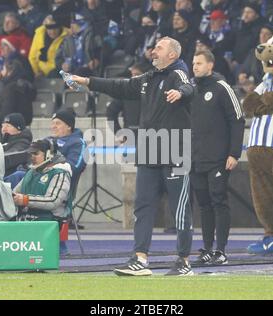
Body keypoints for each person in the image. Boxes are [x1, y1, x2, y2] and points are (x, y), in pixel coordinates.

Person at [71, 37, 195, 276]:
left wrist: (180, 93)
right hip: (149, 149)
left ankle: (184, 260)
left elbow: (189, 86)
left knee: (179, 207)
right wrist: (87, 81)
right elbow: (119, 86)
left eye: (159, 47)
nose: (153, 50)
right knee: (143, 205)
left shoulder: (177, 73)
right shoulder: (148, 78)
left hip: (175, 149)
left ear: (172, 55)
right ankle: (140, 258)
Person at [190, 49, 245, 265]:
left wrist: (234, 153)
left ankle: (220, 250)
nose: (195, 67)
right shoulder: (191, 89)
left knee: (218, 199)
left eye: (200, 63)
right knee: (203, 204)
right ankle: (206, 249)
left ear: (210, 65)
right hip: (196, 158)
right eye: (193, 63)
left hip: (219, 158)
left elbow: (238, 120)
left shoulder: (222, 88)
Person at [13, 139, 72, 222]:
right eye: (31, 153)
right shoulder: (31, 172)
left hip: (51, 223)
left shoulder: (59, 174)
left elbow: (53, 201)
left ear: (49, 154)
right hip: (28, 221)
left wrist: (25, 200)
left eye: (36, 153)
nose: (32, 157)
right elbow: (15, 193)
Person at [0, 59, 36, 139]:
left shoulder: (10, 88)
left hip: (6, 132)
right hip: (20, 129)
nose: (2, 73)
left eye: (3, 69)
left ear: (10, 71)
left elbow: (6, 111)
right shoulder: (24, 86)